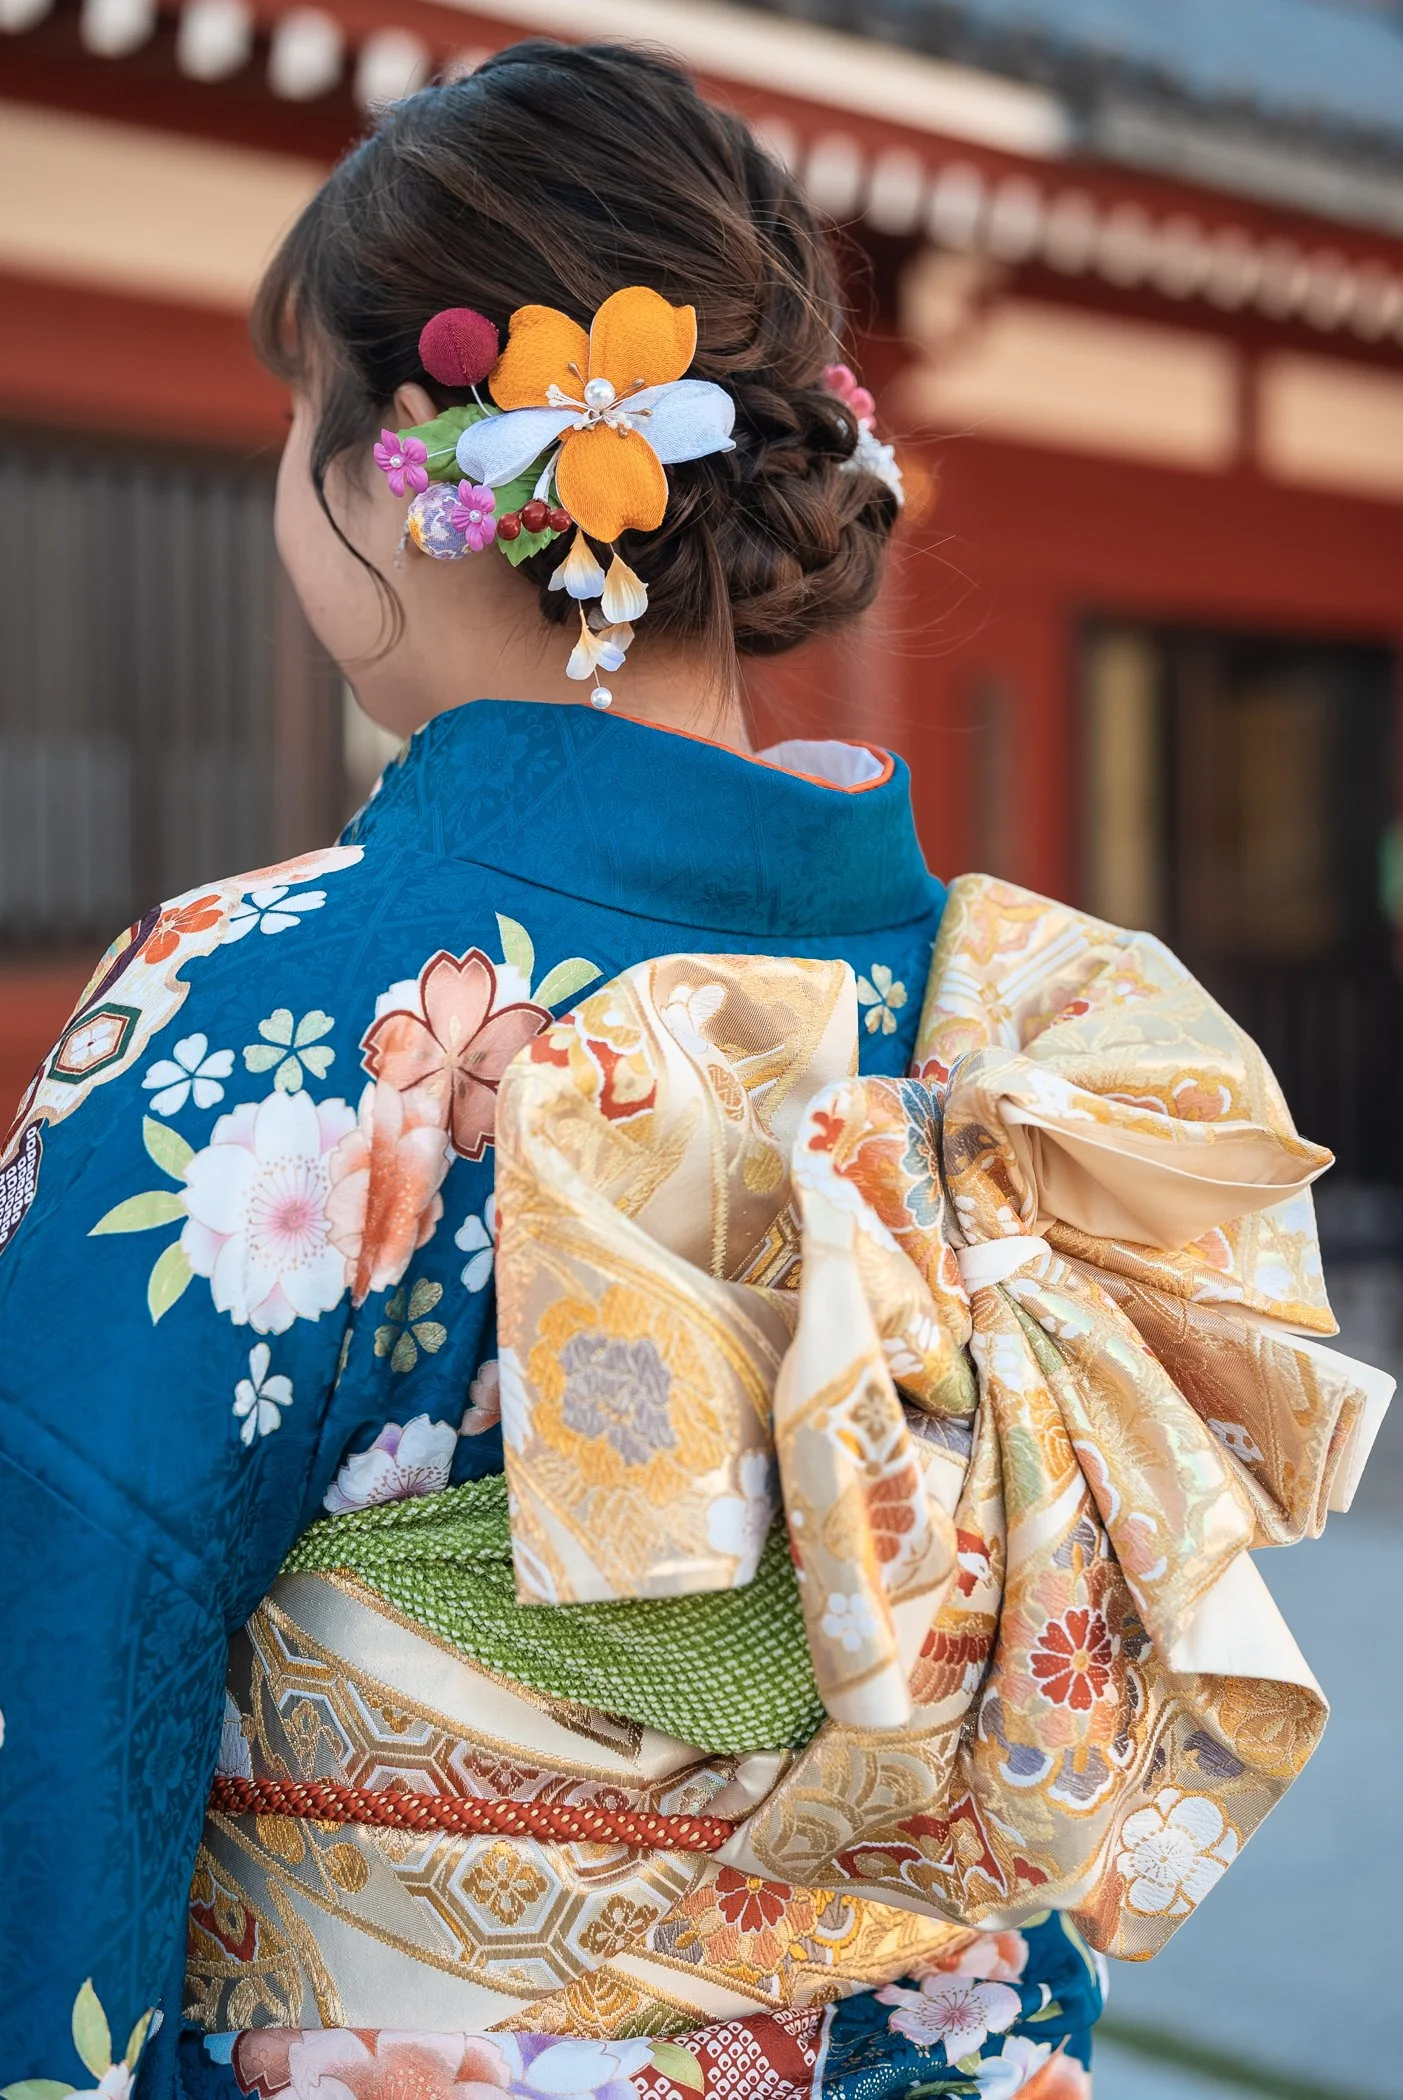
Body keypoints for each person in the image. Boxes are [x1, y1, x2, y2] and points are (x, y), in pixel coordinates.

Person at [0, 40, 1383, 2100]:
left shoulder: (263, 997)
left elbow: (64, 1644)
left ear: (395, 463)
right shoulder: (1031, 1037)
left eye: (300, 428)